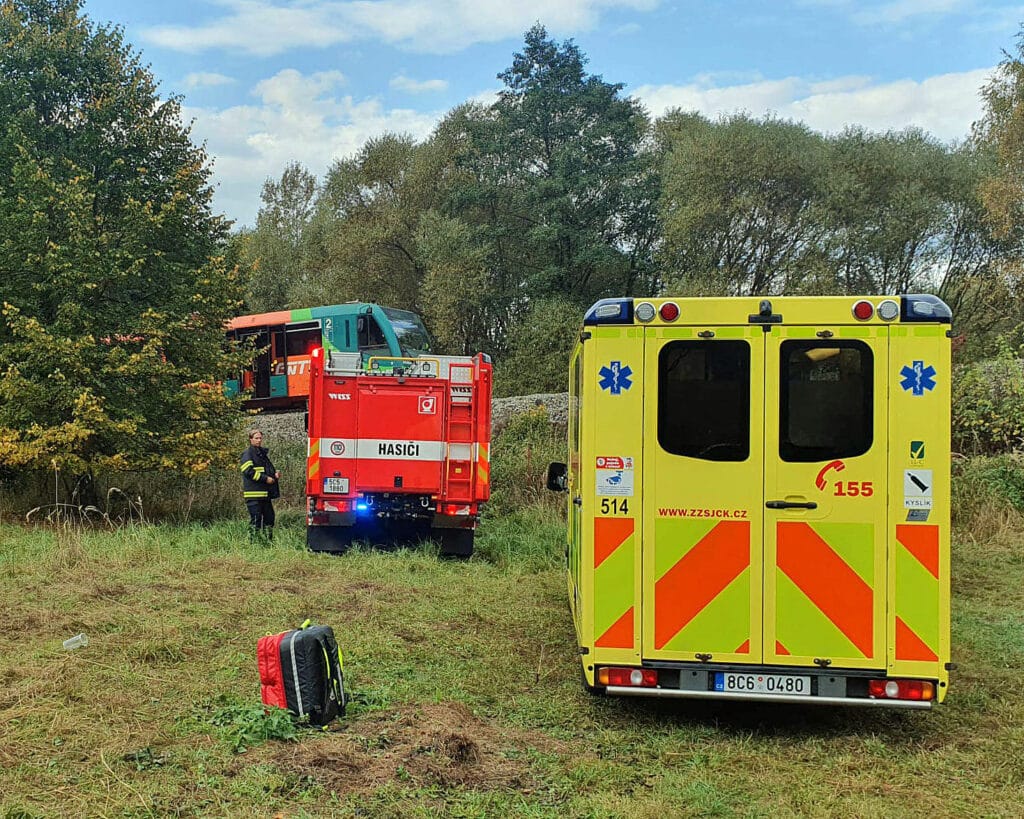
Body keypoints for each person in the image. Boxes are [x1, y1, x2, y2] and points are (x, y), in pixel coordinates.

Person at [240, 429, 280, 542]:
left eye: (260, 438)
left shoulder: (262, 454)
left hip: (265, 495)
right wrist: (265, 478)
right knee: (256, 520)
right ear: (250, 439)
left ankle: (267, 541)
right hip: (253, 495)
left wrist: (274, 474)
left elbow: (265, 470)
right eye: (256, 438)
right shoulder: (247, 454)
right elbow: (248, 471)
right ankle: (253, 542)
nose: (259, 440)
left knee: (269, 519)